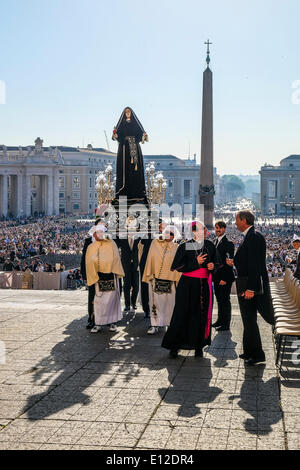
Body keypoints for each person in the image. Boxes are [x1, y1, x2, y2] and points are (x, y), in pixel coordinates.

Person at [161, 221, 216, 358]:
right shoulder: (185, 246)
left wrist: (212, 266)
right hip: (187, 285)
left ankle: (199, 346)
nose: (202, 232)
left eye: (203, 229)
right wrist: (195, 263)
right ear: (193, 232)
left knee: (200, 315)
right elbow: (177, 266)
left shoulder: (209, 245)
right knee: (181, 313)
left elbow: (217, 263)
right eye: (199, 230)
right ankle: (175, 346)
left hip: (203, 286)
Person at [227, 210, 274, 366]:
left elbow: (255, 265)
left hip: (249, 286)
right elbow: (248, 261)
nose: (235, 223)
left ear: (244, 220)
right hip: (245, 283)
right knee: (247, 320)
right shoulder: (249, 236)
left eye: (236, 220)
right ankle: (249, 351)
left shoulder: (254, 237)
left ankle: (257, 354)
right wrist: (235, 262)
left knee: (250, 320)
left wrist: (252, 289)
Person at [85, 224, 124, 334]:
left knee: (111, 300)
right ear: (95, 234)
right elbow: (88, 262)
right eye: (98, 233)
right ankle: (98, 323)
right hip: (98, 278)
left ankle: (112, 323)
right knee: (98, 301)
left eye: (102, 232)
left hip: (111, 275)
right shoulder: (91, 247)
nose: (100, 234)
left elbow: (116, 258)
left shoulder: (112, 244)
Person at [142, 225, 181, 334]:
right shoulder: (155, 243)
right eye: (168, 232)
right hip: (156, 279)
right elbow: (150, 259)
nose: (169, 235)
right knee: (155, 303)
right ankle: (155, 324)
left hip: (170, 280)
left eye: (172, 233)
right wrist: (149, 274)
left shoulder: (176, 247)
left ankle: (169, 324)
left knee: (169, 304)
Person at [112, 107, 148, 206]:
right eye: (126, 112)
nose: (127, 113)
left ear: (131, 113)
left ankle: (137, 193)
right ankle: (123, 192)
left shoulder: (135, 124)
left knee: (135, 171)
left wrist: (143, 136)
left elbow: (141, 134)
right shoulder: (121, 124)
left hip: (134, 149)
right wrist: (115, 135)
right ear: (124, 114)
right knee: (124, 171)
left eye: (129, 112)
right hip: (124, 149)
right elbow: (117, 135)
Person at [212, 221, 235, 331]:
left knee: (225, 300)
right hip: (216, 277)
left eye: (220, 228)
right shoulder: (215, 241)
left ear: (224, 229)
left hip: (224, 278)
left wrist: (224, 279)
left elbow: (228, 263)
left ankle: (226, 324)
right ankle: (220, 320)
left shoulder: (229, 243)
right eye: (216, 228)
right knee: (219, 300)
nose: (218, 230)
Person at [80, 217, 102, 329]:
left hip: (104, 274)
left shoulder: (107, 241)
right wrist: (84, 274)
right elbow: (83, 258)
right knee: (92, 297)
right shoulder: (88, 241)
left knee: (104, 297)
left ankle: (104, 319)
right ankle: (91, 319)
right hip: (91, 274)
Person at [117, 233, 140, 312]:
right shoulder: (122, 238)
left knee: (136, 285)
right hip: (125, 265)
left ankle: (133, 303)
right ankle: (127, 304)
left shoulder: (138, 238)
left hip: (136, 265)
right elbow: (116, 242)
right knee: (126, 285)